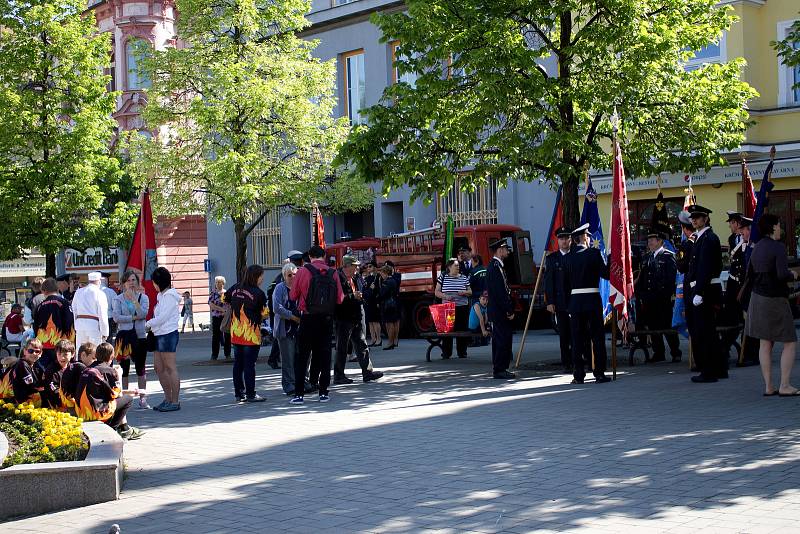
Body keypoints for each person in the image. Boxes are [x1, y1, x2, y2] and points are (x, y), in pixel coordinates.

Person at [745, 214, 799, 396]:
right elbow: (782, 274)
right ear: (773, 227)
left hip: (757, 299)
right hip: (775, 299)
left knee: (765, 343)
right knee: (790, 342)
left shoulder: (756, 247)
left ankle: (768, 386)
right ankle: (784, 385)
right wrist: (793, 274)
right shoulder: (778, 247)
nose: (780, 228)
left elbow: (750, 274)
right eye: (778, 225)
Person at [289, 245, 344, 404]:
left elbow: (293, 296)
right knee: (325, 355)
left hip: (307, 317)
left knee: (302, 356)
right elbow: (340, 298)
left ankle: (299, 394)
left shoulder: (303, 271)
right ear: (324, 257)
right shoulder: (333, 273)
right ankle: (323, 392)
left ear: (310, 257)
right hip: (326, 319)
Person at [564, 223, 611, 384]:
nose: (590, 237)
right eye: (588, 235)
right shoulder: (594, 254)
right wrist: (611, 257)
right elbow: (606, 274)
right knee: (597, 337)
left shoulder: (568, 257)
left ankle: (578, 375)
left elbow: (564, 284)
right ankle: (599, 373)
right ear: (583, 237)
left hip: (575, 302)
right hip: (592, 300)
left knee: (577, 339)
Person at [685, 205, 725, 383]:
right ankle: (719, 368)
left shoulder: (708, 238)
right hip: (703, 289)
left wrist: (699, 291)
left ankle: (708, 371)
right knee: (709, 332)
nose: (694, 220)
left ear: (706, 219)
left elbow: (705, 268)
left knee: (704, 332)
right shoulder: (700, 238)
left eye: (698, 217)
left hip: (705, 290)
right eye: (693, 217)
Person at [74, 342, 144, 440]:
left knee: (115, 401)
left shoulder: (87, 369)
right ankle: (112, 429)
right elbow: (116, 394)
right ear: (111, 356)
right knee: (128, 399)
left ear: (96, 355)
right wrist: (118, 375)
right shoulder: (109, 371)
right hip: (96, 412)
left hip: (82, 412)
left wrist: (129, 390)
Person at [334, 255, 384, 385]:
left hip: (354, 316)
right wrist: (352, 296)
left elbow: (359, 292)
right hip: (343, 317)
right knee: (342, 347)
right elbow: (337, 298)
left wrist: (360, 297)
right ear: (347, 266)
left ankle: (367, 373)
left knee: (361, 344)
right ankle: (339, 376)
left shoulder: (354, 278)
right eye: (354, 265)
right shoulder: (338, 278)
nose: (357, 268)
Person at [225, 264, 269, 403]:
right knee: (250, 365)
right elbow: (265, 313)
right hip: (251, 334)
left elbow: (224, 299)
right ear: (256, 276)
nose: (262, 278)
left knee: (238, 364)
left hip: (236, 333)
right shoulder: (259, 293)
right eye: (261, 276)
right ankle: (251, 394)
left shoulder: (235, 287)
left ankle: (239, 393)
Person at [637, 228, 681, 363]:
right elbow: (643, 278)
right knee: (653, 326)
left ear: (660, 241)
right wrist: (642, 294)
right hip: (649, 299)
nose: (649, 242)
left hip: (663, 299)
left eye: (652, 240)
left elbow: (671, 278)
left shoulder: (668, 256)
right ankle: (658, 353)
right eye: (648, 240)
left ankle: (675, 352)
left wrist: (665, 295)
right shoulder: (647, 257)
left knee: (667, 326)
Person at [273, 263, 313, 396]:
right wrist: (292, 317)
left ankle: (304, 382)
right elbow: (277, 307)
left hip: (301, 328)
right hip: (286, 329)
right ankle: (289, 385)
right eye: (289, 275)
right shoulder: (280, 288)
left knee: (303, 357)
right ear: (284, 276)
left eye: (294, 274)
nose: (292, 277)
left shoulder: (301, 286)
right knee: (288, 359)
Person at [723, 216, 759, 366]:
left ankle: (750, 355)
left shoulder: (754, 246)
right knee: (729, 319)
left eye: (744, 229)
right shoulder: (735, 241)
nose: (742, 232)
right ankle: (724, 351)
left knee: (750, 323)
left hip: (747, 288)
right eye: (742, 229)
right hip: (734, 286)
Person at [112, 270, 150, 408]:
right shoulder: (118, 299)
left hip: (139, 336)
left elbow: (144, 313)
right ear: (123, 283)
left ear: (138, 282)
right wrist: (132, 318)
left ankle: (143, 398)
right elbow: (116, 317)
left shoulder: (143, 298)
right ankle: (124, 399)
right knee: (124, 369)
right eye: (128, 281)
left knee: (141, 368)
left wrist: (134, 300)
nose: (131, 283)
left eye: (133, 280)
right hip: (124, 337)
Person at [146, 266, 182, 411]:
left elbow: (162, 318)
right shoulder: (161, 296)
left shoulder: (169, 297)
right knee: (159, 367)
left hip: (167, 334)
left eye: (154, 282)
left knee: (170, 368)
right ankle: (167, 399)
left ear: (159, 282)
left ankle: (174, 401)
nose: (153, 285)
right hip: (158, 334)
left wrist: (148, 324)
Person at [544, 226, 574, 373]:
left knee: (577, 333)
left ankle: (578, 360)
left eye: (566, 238)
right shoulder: (552, 259)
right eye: (561, 238)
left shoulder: (576, 255)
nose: (564, 241)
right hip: (560, 303)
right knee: (564, 334)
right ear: (558, 240)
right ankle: (566, 363)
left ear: (571, 239)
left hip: (575, 302)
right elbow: (548, 282)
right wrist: (550, 302)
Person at [487, 238, 516, 379]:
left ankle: (500, 368)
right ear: (500, 250)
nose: (507, 251)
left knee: (500, 339)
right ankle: (500, 369)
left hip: (498, 310)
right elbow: (501, 292)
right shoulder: (495, 267)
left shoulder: (496, 266)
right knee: (502, 339)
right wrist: (509, 310)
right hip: (500, 312)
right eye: (505, 249)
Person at [33, 277, 75, 370]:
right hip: (62, 345)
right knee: (64, 370)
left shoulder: (40, 306)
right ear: (57, 289)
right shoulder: (64, 303)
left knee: (48, 371)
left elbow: (35, 326)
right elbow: (70, 323)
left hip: (45, 345)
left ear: (43, 291)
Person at [435, 258, 472, 358]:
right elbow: (436, 292)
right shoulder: (443, 277)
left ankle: (462, 352)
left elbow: (470, 291)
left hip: (462, 307)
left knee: (462, 330)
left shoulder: (464, 277)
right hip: (448, 308)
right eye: (456, 265)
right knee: (447, 331)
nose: (458, 267)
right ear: (449, 267)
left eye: (458, 265)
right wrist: (445, 296)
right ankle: (446, 352)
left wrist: (464, 292)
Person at [72, 271, 109, 348]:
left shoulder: (78, 292)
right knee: (95, 353)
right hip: (94, 326)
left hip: (80, 326)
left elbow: (74, 310)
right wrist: (105, 332)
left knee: (80, 352)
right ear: (99, 281)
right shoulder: (100, 293)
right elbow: (102, 315)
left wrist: (76, 325)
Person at [60, 342, 96, 409]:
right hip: (75, 406)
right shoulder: (81, 368)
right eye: (93, 358)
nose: (95, 361)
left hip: (68, 403)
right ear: (83, 355)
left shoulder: (74, 366)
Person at [9, 338, 45, 405]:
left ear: (41, 353)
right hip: (24, 402)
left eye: (37, 351)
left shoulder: (36, 363)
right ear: (25, 351)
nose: (34, 354)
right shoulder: (22, 364)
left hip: (30, 397)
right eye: (30, 351)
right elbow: (32, 386)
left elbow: (45, 377)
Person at [41, 339, 75, 410]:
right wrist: (67, 400)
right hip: (56, 405)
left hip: (72, 402)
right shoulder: (51, 370)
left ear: (72, 354)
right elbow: (54, 389)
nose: (62, 357)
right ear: (56, 354)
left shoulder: (74, 367)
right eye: (59, 354)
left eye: (65, 354)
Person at [208, 275, 232, 360]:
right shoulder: (213, 293)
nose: (218, 284)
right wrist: (221, 309)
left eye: (220, 282)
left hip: (225, 317)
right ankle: (214, 355)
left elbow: (229, 305)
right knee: (216, 336)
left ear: (223, 283)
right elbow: (211, 305)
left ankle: (227, 354)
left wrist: (227, 312)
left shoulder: (227, 293)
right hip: (216, 317)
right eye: (217, 282)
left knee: (227, 335)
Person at [377, 264, 400, 350]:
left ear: (386, 273)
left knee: (389, 324)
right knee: (393, 323)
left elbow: (382, 294)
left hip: (387, 305)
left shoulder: (387, 282)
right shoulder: (393, 280)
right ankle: (393, 341)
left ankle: (390, 342)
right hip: (393, 304)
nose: (381, 275)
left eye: (382, 273)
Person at [362, 262, 383, 346]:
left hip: (375, 301)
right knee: (370, 321)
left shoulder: (378, 277)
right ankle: (373, 339)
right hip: (368, 301)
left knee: (376, 321)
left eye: (370, 266)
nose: (368, 268)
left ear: (374, 267)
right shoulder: (368, 278)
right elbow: (364, 289)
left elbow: (380, 289)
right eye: (367, 267)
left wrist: (378, 300)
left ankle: (379, 339)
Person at [101, 273, 118, 338]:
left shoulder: (91, 291)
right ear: (106, 280)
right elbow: (116, 307)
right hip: (108, 319)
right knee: (107, 343)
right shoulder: (110, 291)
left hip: (94, 320)